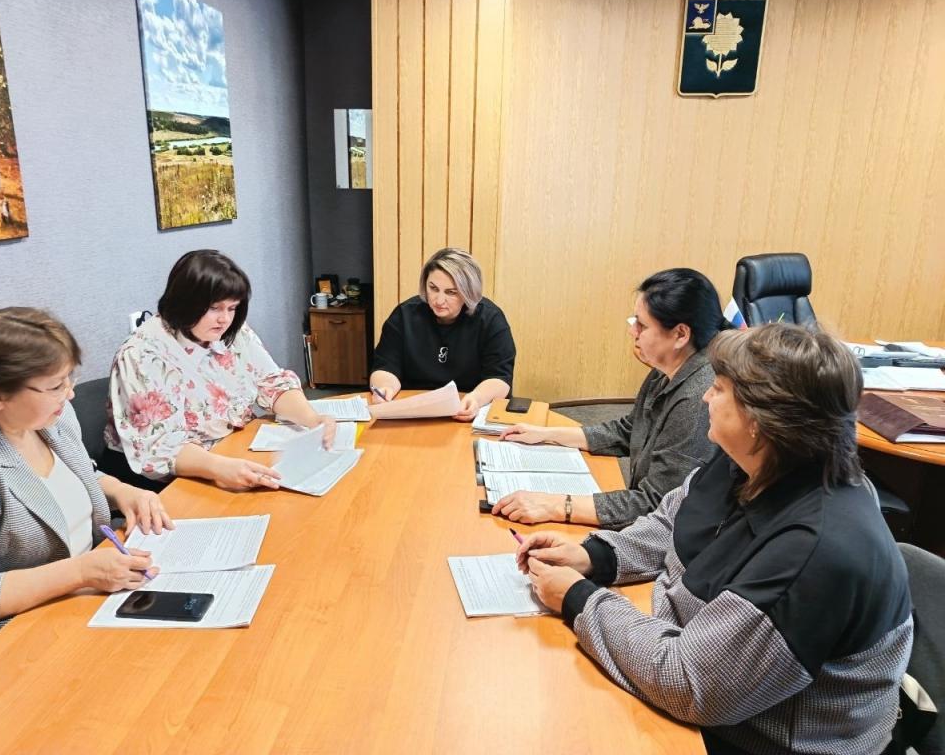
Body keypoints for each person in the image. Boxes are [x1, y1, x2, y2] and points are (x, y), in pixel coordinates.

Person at [515, 323, 913, 755]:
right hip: (696, 671)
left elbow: (692, 683)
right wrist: (593, 556)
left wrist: (578, 598)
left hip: (759, 739)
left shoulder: (814, 550)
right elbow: (673, 522)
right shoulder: (753, 459)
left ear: (760, 420)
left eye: (719, 389)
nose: (705, 396)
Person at [0, 308, 173, 683]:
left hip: (86, 603)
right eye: (55, 385)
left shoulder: (51, 417)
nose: (70, 393)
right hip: (9, 651)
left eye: (69, 377)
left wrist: (122, 490)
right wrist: (80, 572)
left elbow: (73, 474)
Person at [493, 268, 725, 528]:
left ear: (681, 334)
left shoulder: (697, 400)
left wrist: (557, 505)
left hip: (668, 537)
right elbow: (630, 431)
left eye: (642, 325)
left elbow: (657, 504)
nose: (632, 331)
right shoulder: (668, 368)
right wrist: (546, 434)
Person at [105, 249, 336, 490]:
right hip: (159, 479)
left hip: (226, 452)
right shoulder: (142, 354)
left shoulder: (229, 331)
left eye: (232, 308)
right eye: (215, 308)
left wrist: (312, 419)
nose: (224, 319)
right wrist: (219, 468)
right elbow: (159, 448)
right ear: (184, 302)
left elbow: (271, 382)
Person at [369, 247, 516, 422]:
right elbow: (385, 367)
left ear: (469, 291)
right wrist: (385, 387)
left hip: (466, 412)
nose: (439, 301)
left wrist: (476, 399)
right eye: (433, 288)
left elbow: (499, 378)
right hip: (413, 412)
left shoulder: (491, 319)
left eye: (451, 292)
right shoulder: (404, 315)